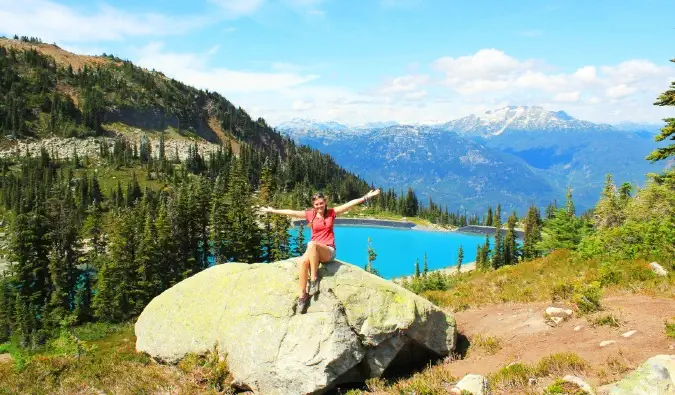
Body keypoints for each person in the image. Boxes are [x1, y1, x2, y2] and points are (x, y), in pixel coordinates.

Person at [260, 189, 380, 313]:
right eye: (316, 204)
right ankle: (302, 296)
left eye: (321, 203)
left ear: (325, 202)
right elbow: (292, 213)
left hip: (328, 250)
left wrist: (367, 197)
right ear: (314, 205)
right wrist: (272, 210)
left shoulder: (332, 212)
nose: (319, 206)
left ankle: (314, 279)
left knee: (311, 244)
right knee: (302, 263)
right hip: (313, 250)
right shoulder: (310, 214)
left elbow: (349, 204)